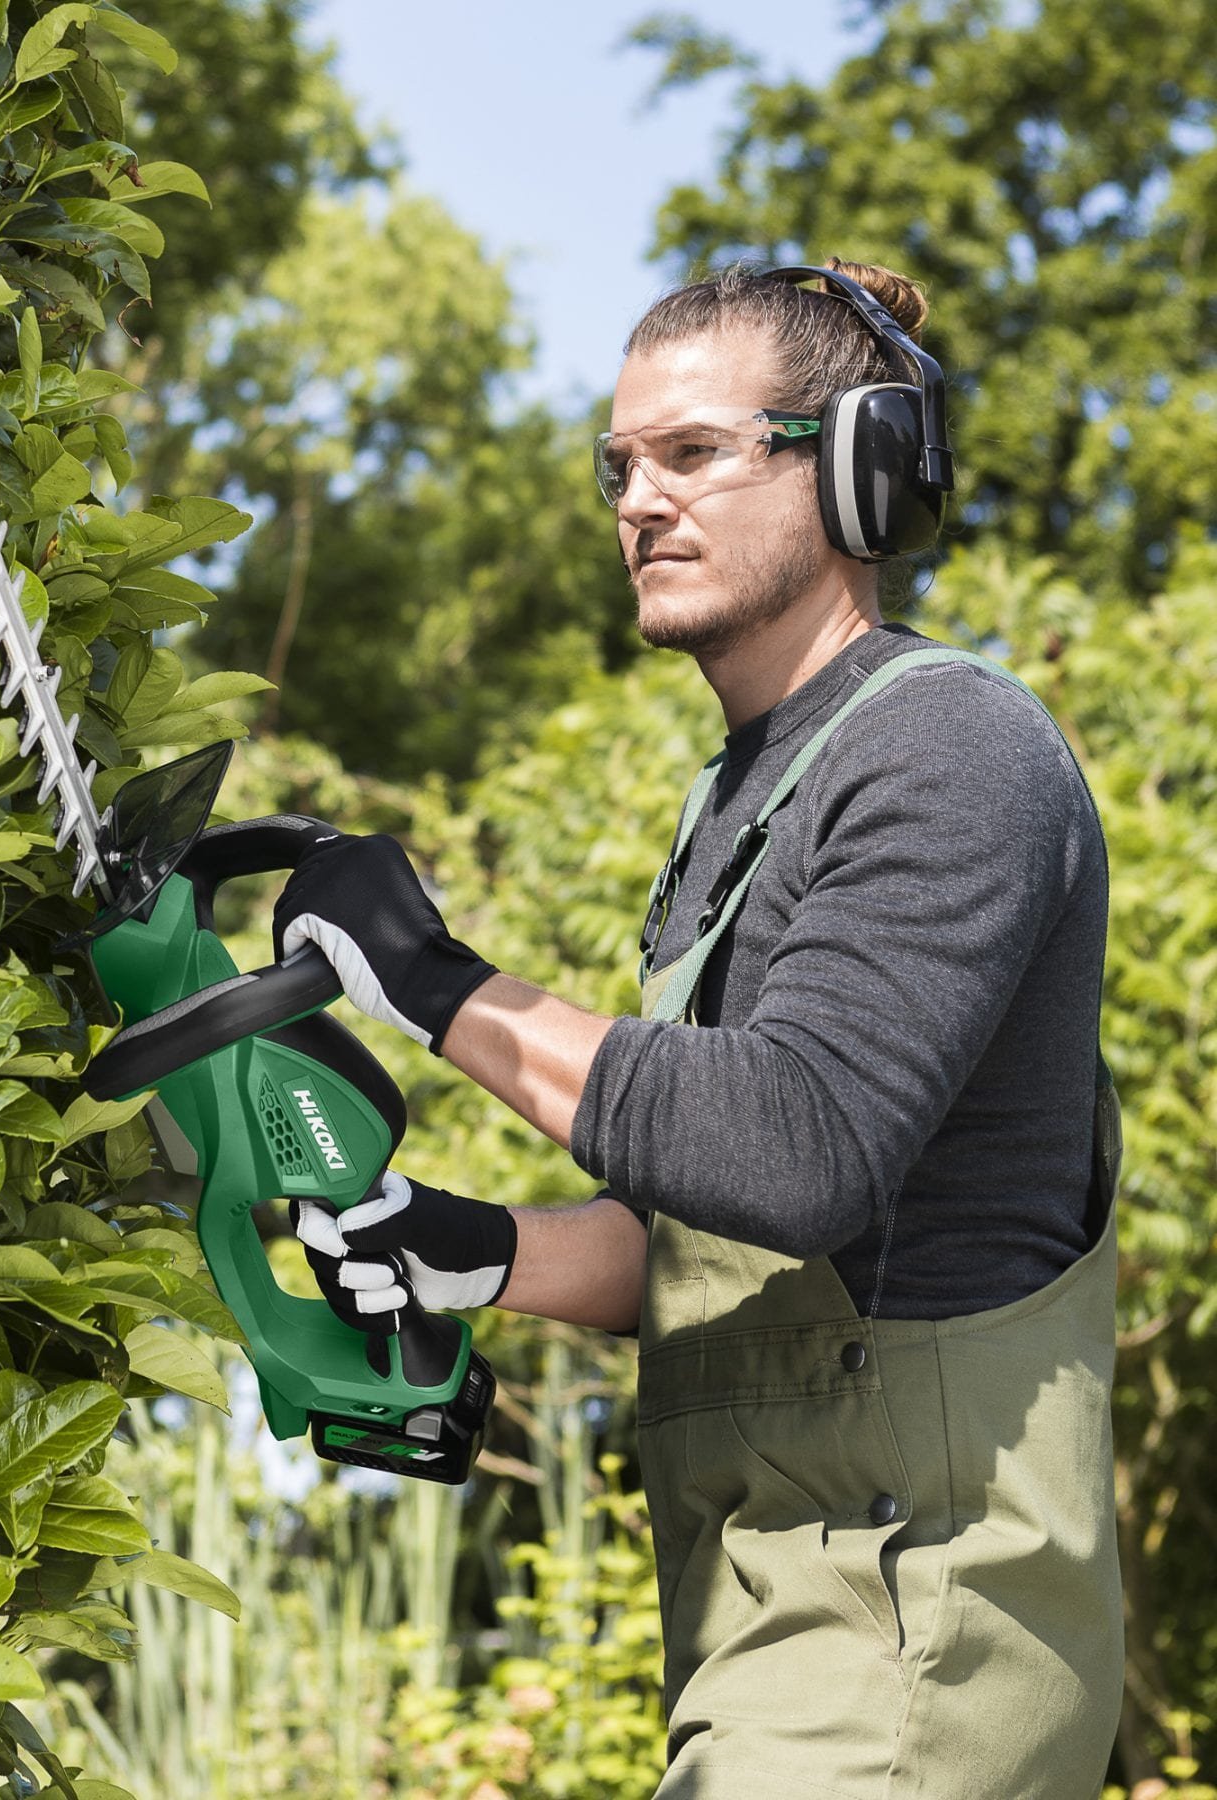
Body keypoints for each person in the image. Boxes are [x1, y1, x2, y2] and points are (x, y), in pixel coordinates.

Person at [274, 259, 1123, 1799]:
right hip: (790, 1626)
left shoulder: (952, 745)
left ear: (861, 468)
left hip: (919, 1621)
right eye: (618, 466)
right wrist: (479, 1248)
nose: (639, 503)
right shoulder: (738, 801)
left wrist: (431, 980)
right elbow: (717, 1239)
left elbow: (799, 1149)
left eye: (694, 453)